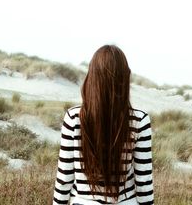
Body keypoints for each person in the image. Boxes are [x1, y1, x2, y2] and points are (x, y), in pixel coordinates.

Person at [53, 45, 154, 205]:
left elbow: (64, 177)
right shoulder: (139, 120)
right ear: (124, 78)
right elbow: (143, 181)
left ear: (92, 76)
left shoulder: (74, 117)